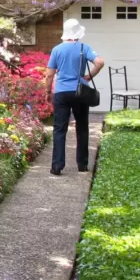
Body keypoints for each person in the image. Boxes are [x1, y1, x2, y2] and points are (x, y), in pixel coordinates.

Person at [44, 19, 105, 176]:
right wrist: (88, 77)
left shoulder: (57, 49)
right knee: (82, 127)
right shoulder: (85, 48)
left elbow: (50, 74)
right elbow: (100, 62)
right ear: (78, 33)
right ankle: (82, 164)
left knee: (59, 129)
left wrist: (47, 92)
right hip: (80, 92)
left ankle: (57, 166)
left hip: (61, 93)